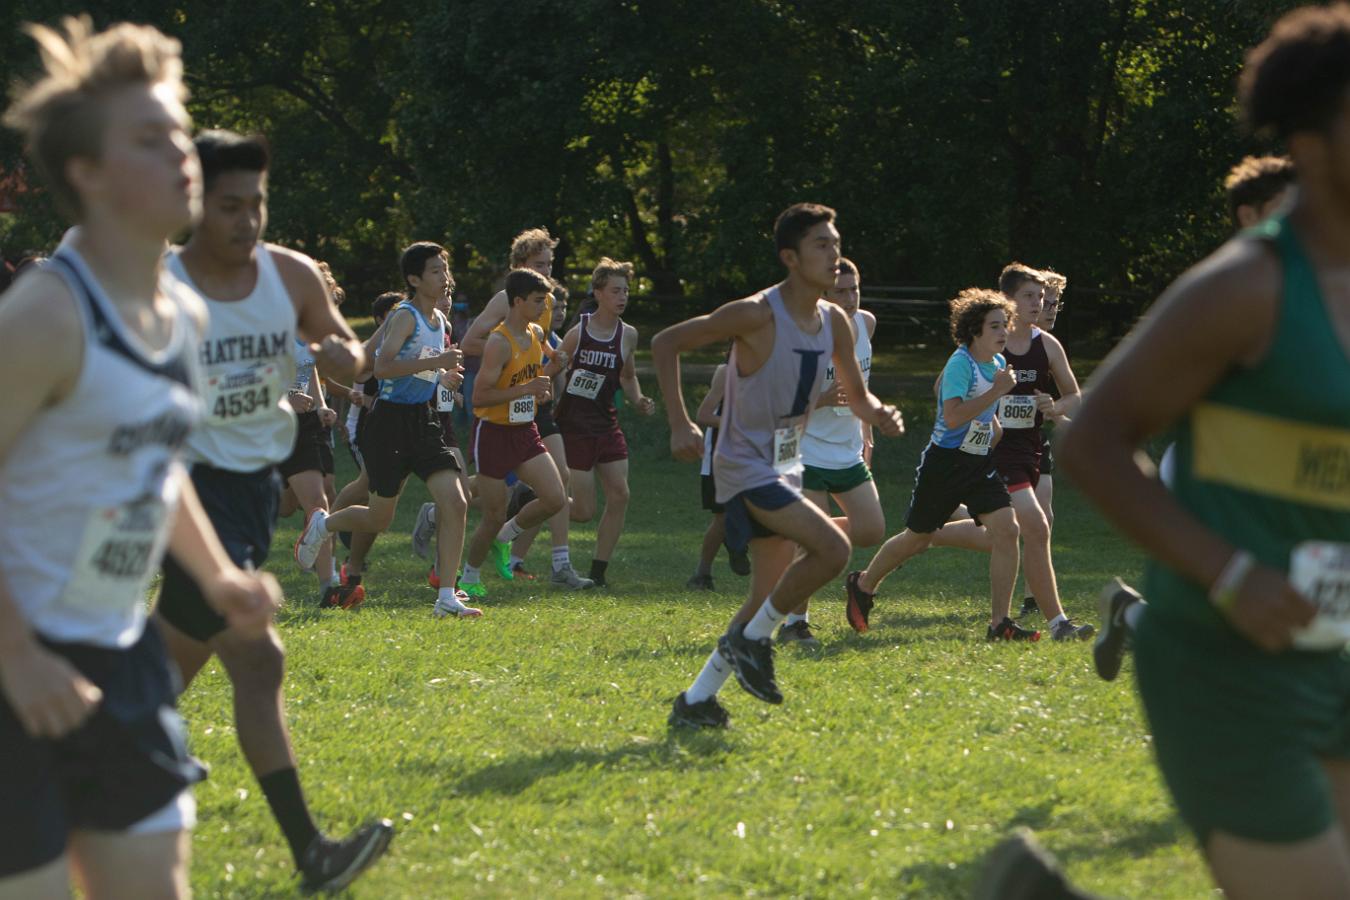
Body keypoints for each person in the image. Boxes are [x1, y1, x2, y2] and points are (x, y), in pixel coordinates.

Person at [1059, 6, 1350, 893]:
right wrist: (1229, 573)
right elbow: (1092, 442)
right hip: (1226, 664)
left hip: (1334, 653)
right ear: (1308, 141)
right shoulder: (1245, 287)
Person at [0, 18, 280, 897]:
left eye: (180, 133)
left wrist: (218, 576)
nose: (182, 157)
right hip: (17, 668)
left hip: (121, 656)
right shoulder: (45, 317)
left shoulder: (182, 313)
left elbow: (156, 468)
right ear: (87, 172)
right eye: (150, 140)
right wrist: (17, 655)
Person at [152, 128, 392, 891]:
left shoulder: (289, 274)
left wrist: (343, 355)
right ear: (195, 202)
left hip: (254, 487)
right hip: (188, 488)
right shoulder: (159, 284)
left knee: (165, 666)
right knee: (260, 659)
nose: (247, 220)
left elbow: (347, 347)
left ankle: (95, 750)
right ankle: (311, 852)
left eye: (256, 203)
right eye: (230, 206)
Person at [655, 202, 903, 728]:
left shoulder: (835, 322)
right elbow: (666, 342)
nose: (834, 254)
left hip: (787, 463)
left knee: (765, 597)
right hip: (745, 466)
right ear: (790, 257)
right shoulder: (757, 314)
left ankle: (696, 701)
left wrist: (880, 414)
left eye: (836, 244)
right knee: (834, 548)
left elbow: (858, 396)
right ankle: (753, 643)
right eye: (821, 245)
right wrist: (680, 424)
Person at [1095, 153, 1298, 681]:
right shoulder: (1222, 292)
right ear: (1250, 215)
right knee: (1235, 607)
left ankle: (1129, 613)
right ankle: (1134, 616)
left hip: (1284, 476)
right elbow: (1103, 430)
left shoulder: (1309, 293)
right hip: (1215, 473)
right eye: (1288, 206)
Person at [296, 242, 480, 620]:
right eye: (435, 271)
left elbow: (420, 368)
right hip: (389, 424)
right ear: (414, 279)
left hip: (424, 421)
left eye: (445, 269)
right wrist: (438, 362)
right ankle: (322, 524)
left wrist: (442, 376)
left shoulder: (439, 320)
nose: (444, 277)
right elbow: (381, 369)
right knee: (379, 519)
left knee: (456, 501)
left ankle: (447, 597)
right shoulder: (405, 317)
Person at [845, 289, 1038, 641]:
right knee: (916, 539)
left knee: (1008, 531)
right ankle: (863, 584)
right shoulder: (961, 364)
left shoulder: (996, 363)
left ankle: (1000, 623)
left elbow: (970, 406)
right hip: (944, 465)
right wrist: (996, 392)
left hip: (978, 464)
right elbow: (951, 417)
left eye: (1005, 325)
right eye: (995, 326)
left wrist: (992, 430)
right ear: (974, 331)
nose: (1004, 332)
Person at [928, 264, 1094, 640]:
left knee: (1020, 529)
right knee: (1035, 526)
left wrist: (1053, 406)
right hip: (995, 451)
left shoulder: (1047, 344)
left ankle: (930, 533)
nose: (1039, 304)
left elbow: (1073, 396)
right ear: (1008, 300)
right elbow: (943, 390)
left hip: (1031, 450)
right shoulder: (988, 344)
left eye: (1042, 297)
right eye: (1029, 297)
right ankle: (1058, 623)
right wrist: (987, 405)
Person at [461, 228, 592, 587]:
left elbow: (541, 348)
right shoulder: (500, 335)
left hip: (526, 423)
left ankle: (509, 539)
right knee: (492, 512)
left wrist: (552, 360)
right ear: (518, 298)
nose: (545, 304)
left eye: (549, 265)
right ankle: (467, 575)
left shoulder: (535, 326)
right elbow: (478, 393)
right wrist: (522, 377)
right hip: (494, 428)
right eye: (539, 266)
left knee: (555, 495)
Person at [791, 257, 884, 646]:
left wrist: (867, 433)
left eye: (854, 289)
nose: (849, 299)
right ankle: (795, 623)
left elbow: (862, 386)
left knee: (871, 530)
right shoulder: (804, 333)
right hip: (807, 449)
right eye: (839, 292)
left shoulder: (866, 324)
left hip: (848, 450)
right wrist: (823, 397)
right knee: (814, 542)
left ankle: (796, 532)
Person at [553, 258, 656, 588]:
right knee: (583, 511)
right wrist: (551, 377)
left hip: (607, 425)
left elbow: (627, 376)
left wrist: (638, 399)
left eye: (625, 291)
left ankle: (598, 572)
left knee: (620, 494)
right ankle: (536, 502)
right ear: (598, 293)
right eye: (615, 291)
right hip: (574, 427)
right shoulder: (578, 332)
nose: (622, 297)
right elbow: (550, 370)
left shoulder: (629, 335)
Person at [686, 361, 752, 589]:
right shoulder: (726, 371)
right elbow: (703, 415)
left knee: (760, 508)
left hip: (755, 452)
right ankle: (702, 574)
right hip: (721, 454)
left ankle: (737, 541)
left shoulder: (773, 368)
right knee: (723, 517)